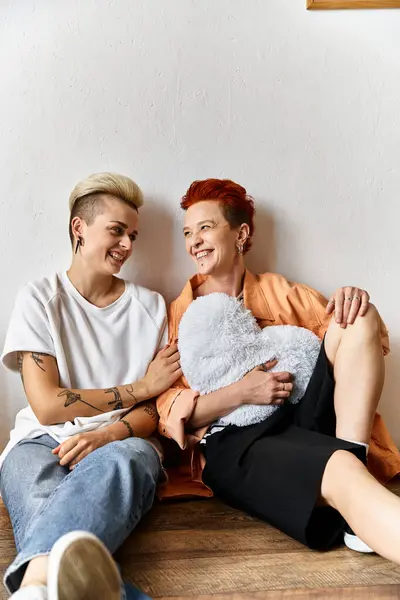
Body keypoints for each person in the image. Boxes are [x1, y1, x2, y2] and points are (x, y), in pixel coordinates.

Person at [156, 178, 400, 563]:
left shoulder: (280, 292)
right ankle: (351, 478)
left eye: (205, 227)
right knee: (339, 469)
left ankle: (355, 469)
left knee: (359, 317)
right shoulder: (180, 314)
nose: (194, 241)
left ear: (241, 233)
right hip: (238, 442)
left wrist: (350, 300)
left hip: (302, 416)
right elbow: (169, 412)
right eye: (187, 232)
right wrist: (243, 392)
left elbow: (368, 343)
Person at [0, 173, 182, 600]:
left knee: (127, 461)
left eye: (133, 235)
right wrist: (138, 387)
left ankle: (34, 589)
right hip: (38, 441)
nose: (127, 246)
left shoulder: (151, 307)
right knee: (35, 490)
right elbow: (46, 406)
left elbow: (157, 410)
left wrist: (106, 433)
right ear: (79, 228)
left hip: (122, 442)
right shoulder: (39, 298)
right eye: (116, 231)